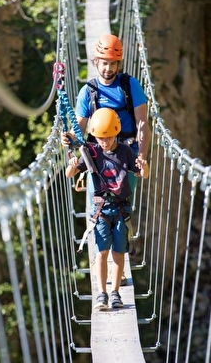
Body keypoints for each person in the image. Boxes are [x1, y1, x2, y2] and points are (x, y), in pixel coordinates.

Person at [62, 34, 150, 286]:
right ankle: (103, 269)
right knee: (98, 210)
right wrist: (68, 140)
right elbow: (78, 130)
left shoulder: (129, 85)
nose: (108, 68)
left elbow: (143, 122)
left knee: (122, 208)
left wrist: (140, 156)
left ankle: (118, 267)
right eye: (103, 62)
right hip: (98, 158)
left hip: (125, 155)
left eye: (113, 63)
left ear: (119, 64)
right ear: (95, 62)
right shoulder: (87, 91)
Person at [66, 108, 149, 309]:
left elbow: (142, 174)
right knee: (101, 253)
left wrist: (144, 166)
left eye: (109, 137)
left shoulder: (126, 151)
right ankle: (102, 293)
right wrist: (72, 164)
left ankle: (115, 293)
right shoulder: (91, 152)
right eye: (101, 137)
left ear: (116, 133)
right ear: (95, 136)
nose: (105, 141)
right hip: (102, 210)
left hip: (121, 209)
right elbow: (70, 174)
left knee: (119, 253)